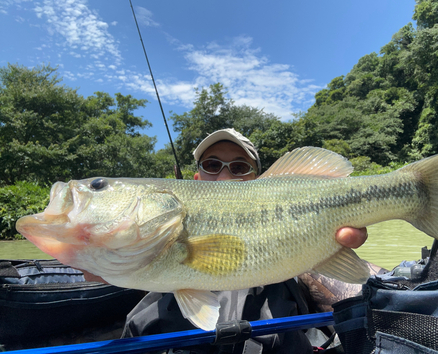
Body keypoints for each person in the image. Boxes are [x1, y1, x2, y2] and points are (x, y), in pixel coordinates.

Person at [83, 128, 369, 353]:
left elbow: (348, 272)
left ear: (258, 178)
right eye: (212, 164)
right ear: (196, 178)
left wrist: (323, 243)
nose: (223, 176)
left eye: (239, 168)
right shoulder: (160, 228)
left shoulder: (292, 226)